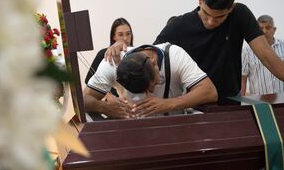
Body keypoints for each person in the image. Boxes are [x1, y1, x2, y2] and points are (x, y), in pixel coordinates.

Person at [105, 0, 284, 115]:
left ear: (231, 8)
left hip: (231, 102)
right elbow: (148, 59)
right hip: (192, 107)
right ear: (200, 0)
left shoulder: (240, 14)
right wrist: (121, 47)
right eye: (207, 14)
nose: (210, 22)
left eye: (219, 18)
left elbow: (266, 55)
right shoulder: (179, 25)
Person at [84, 43, 218, 119]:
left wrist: (169, 103)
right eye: (144, 91)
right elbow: (83, 100)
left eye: (153, 85)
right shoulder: (112, 63)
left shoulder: (175, 56)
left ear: (154, 63)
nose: (151, 93)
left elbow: (210, 92)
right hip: (133, 132)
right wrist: (105, 107)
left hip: (174, 127)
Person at [241, 15, 284, 95]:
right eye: (260, 28)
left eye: (268, 28)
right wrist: (240, 103)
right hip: (259, 102)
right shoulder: (247, 51)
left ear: (274, 30)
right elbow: (243, 79)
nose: (264, 31)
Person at [84, 17, 133, 96]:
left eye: (128, 34)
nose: (125, 38)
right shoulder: (103, 54)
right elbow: (88, 80)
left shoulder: (136, 55)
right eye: (120, 34)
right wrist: (108, 96)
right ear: (114, 37)